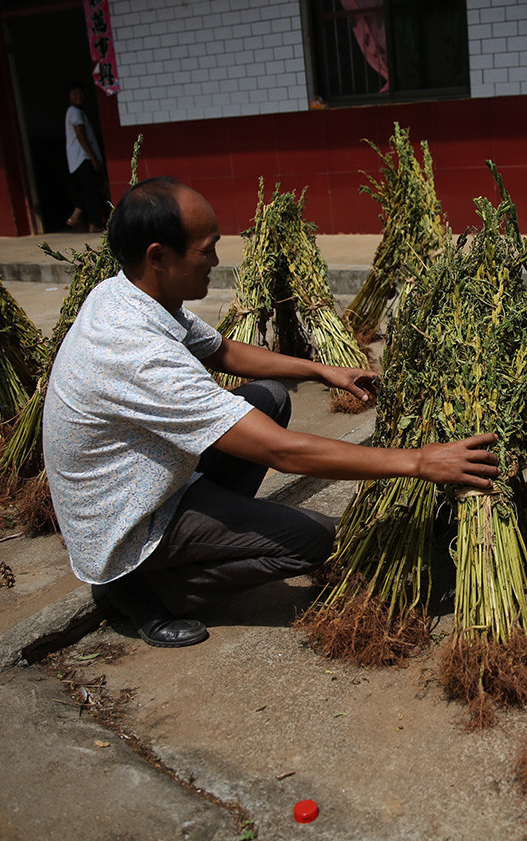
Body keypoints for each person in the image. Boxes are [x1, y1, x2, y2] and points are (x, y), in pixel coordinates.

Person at [42, 177, 500, 648]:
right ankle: (140, 588)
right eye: (207, 250)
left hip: (145, 480)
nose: (217, 262)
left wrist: (323, 370)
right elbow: (281, 453)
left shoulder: (136, 293)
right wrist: (419, 462)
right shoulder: (136, 350)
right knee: (315, 539)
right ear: (159, 256)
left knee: (270, 397)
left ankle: (198, 543)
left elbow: (222, 352)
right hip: (127, 520)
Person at [64, 81, 106, 232]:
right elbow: (81, 136)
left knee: (90, 189)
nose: (79, 96)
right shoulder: (74, 112)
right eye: (74, 93)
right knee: (91, 191)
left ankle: (76, 217)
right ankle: (94, 224)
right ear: (68, 97)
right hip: (83, 158)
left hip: (82, 159)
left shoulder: (78, 112)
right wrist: (93, 159)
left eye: (80, 92)